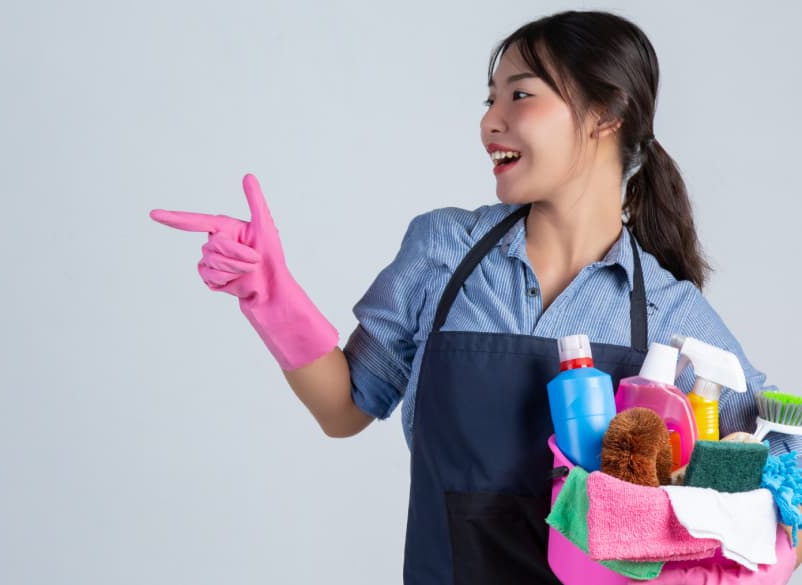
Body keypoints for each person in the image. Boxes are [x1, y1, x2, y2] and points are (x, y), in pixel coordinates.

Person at [150, 9, 800, 585]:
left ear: (606, 113)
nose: (490, 121)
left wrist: (758, 539)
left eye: (520, 95)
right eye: (491, 100)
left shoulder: (668, 313)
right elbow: (344, 408)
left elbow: (784, 459)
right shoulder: (444, 252)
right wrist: (271, 294)